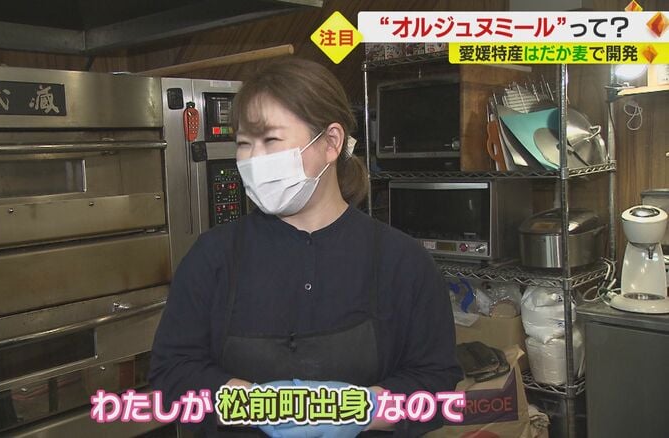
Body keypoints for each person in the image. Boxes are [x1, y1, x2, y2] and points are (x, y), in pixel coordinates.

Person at [149, 58, 462, 437]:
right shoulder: (212, 257)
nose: (253, 158)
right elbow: (171, 373)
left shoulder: (403, 261)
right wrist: (259, 406)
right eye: (244, 143)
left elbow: (436, 383)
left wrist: (358, 411)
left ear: (331, 142)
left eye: (271, 140)